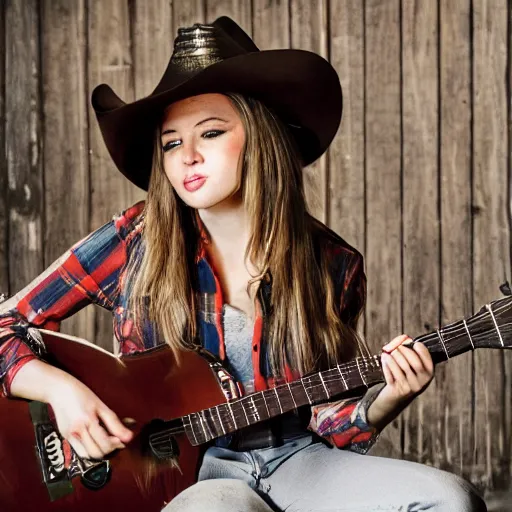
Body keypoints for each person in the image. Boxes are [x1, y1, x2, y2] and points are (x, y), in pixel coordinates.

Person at [0, 16, 486, 512]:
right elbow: (5, 326)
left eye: (210, 133)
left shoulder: (333, 264)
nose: (186, 155)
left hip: (295, 460)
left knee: (451, 498)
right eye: (171, 142)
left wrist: (386, 399)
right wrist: (62, 393)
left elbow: (323, 415)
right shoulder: (136, 239)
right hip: (184, 478)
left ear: (260, 136)